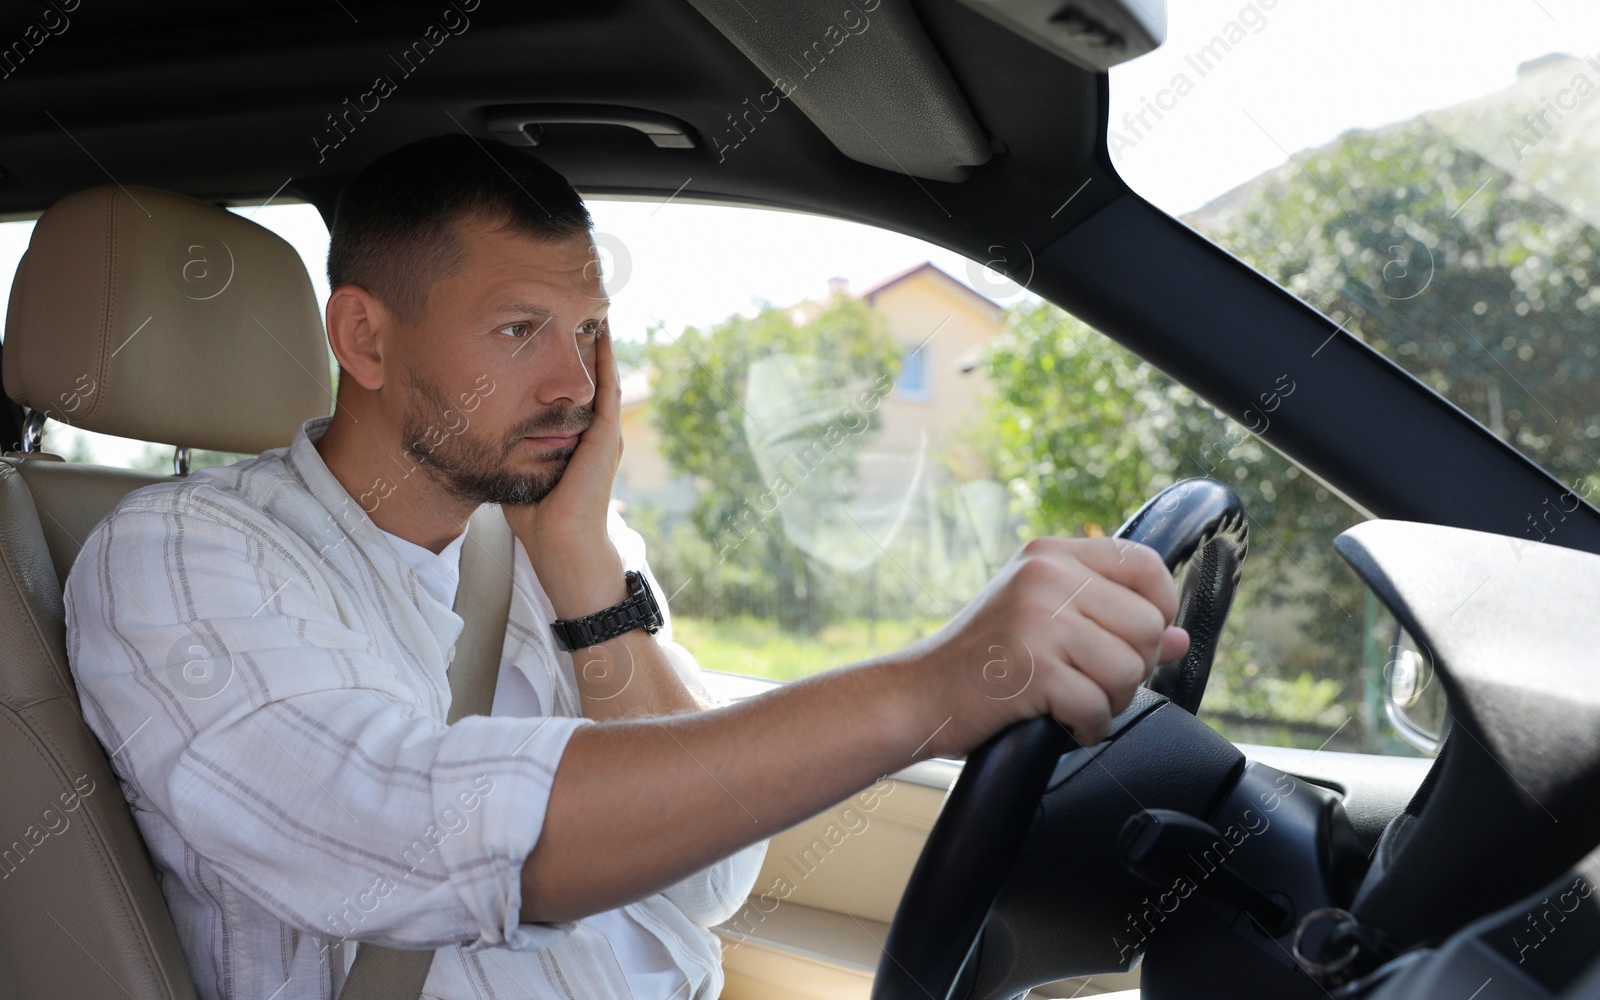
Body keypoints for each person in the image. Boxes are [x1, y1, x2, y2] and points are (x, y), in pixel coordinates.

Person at [64, 134, 1189, 1000]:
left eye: (588, 329)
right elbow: (406, 826)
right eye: (519, 331)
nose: (576, 384)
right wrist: (931, 685)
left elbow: (707, 882)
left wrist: (584, 573)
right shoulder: (176, 556)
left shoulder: (556, 536)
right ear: (363, 341)